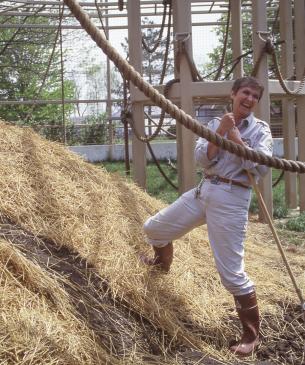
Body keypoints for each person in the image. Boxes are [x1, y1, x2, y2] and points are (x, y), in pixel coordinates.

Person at [141, 76, 273, 357]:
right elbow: (203, 158)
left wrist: (235, 137)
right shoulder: (215, 123)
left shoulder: (261, 131)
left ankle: (252, 336)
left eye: (255, 97)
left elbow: (258, 168)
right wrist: (222, 132)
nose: (249, 100)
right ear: (234, 94)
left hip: (233, 198)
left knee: (231, 274)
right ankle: (160, 266)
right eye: (245, 93)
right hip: (205, 189)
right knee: (154, 228)